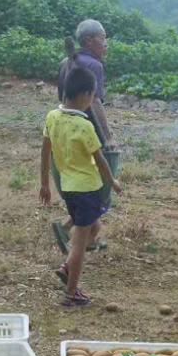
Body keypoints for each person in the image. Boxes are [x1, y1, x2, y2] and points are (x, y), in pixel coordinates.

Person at [40, 66, 122, 308]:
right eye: (93, 96)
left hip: (68, 188)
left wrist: (45, 183)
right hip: (87, 189)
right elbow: (101, 159)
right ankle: (72, 291)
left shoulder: (52, 117)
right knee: (79, 242)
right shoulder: (84, 126)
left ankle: (68, 267)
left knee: (94, 226)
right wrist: (113, 182)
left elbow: (46, 152)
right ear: (85, 95)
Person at [53, 20, 117, 263]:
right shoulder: (94, 65)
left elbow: (62, 97)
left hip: (65, 128)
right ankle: (71, 228)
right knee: (100, 187)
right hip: (88, 131)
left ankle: (89, 237)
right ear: (90, 40)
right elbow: (96, 102)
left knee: (77, 181)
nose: (106, 44)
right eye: (103, 38)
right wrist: (108, 138)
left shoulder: (64, 63)